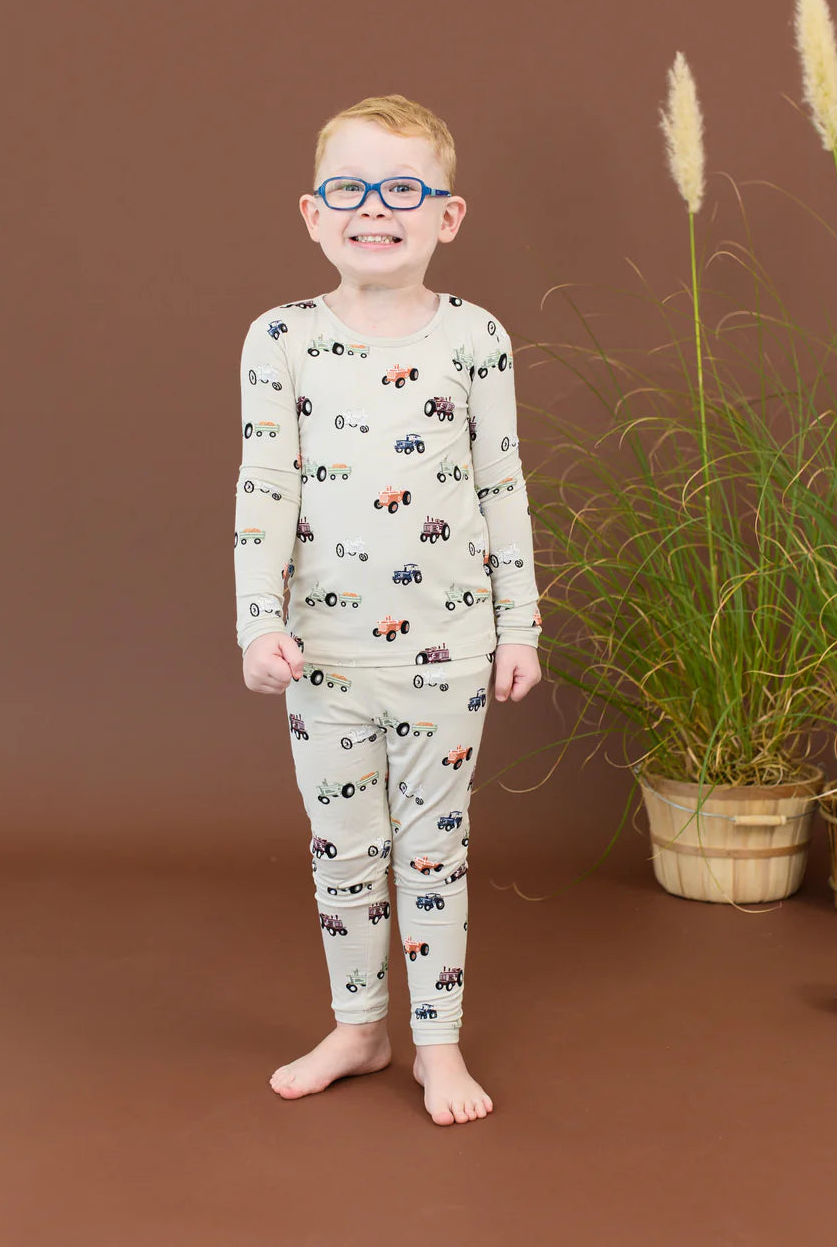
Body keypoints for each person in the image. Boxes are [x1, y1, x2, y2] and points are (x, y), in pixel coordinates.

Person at [233, 94, 542, 1126]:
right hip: (321, 657)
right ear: (313, 214)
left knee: (434, 852)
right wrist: (257, 621)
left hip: (447, 654)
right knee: (344, 853)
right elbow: (264, 487)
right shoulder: (281, 339)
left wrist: (520, 625)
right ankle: (360, 1027)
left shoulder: (476, 338)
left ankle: (435, 1044)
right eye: (352, 189)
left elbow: (502, 485)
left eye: (403, 189)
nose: (376, 208)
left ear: (447, 216)